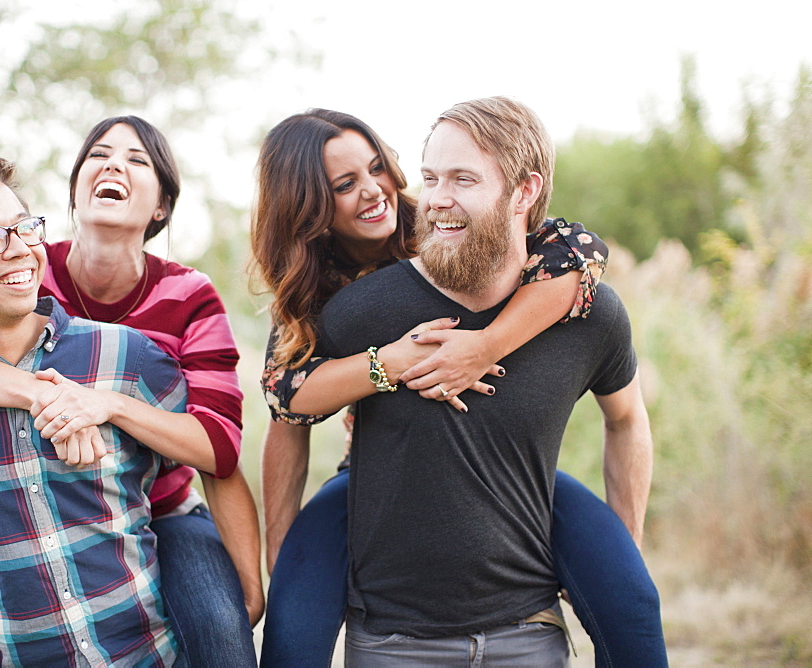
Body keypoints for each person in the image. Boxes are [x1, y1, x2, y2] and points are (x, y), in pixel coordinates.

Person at [251, 108, 665, 666]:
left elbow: (576, 250)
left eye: (379, 168)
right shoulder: (316, 293)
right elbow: (286, 402)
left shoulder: (441, 218)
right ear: (308, 210)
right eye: (344, 185)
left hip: (510, 467)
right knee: (294, 618)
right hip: (375, 473)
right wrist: (388, 364)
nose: (374, 191)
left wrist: (485, 345)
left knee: (630, 594)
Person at [0, 117, 261, 666]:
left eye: (138, 160)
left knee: (219, 627)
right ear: (74, 190)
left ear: (161, 205)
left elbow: (218, 446)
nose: (115, 165)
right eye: (100, 154)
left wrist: (106, 403)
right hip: (46, 518)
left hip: (162, 509)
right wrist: (46, 395)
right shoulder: (21, 269)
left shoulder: (189, 294)